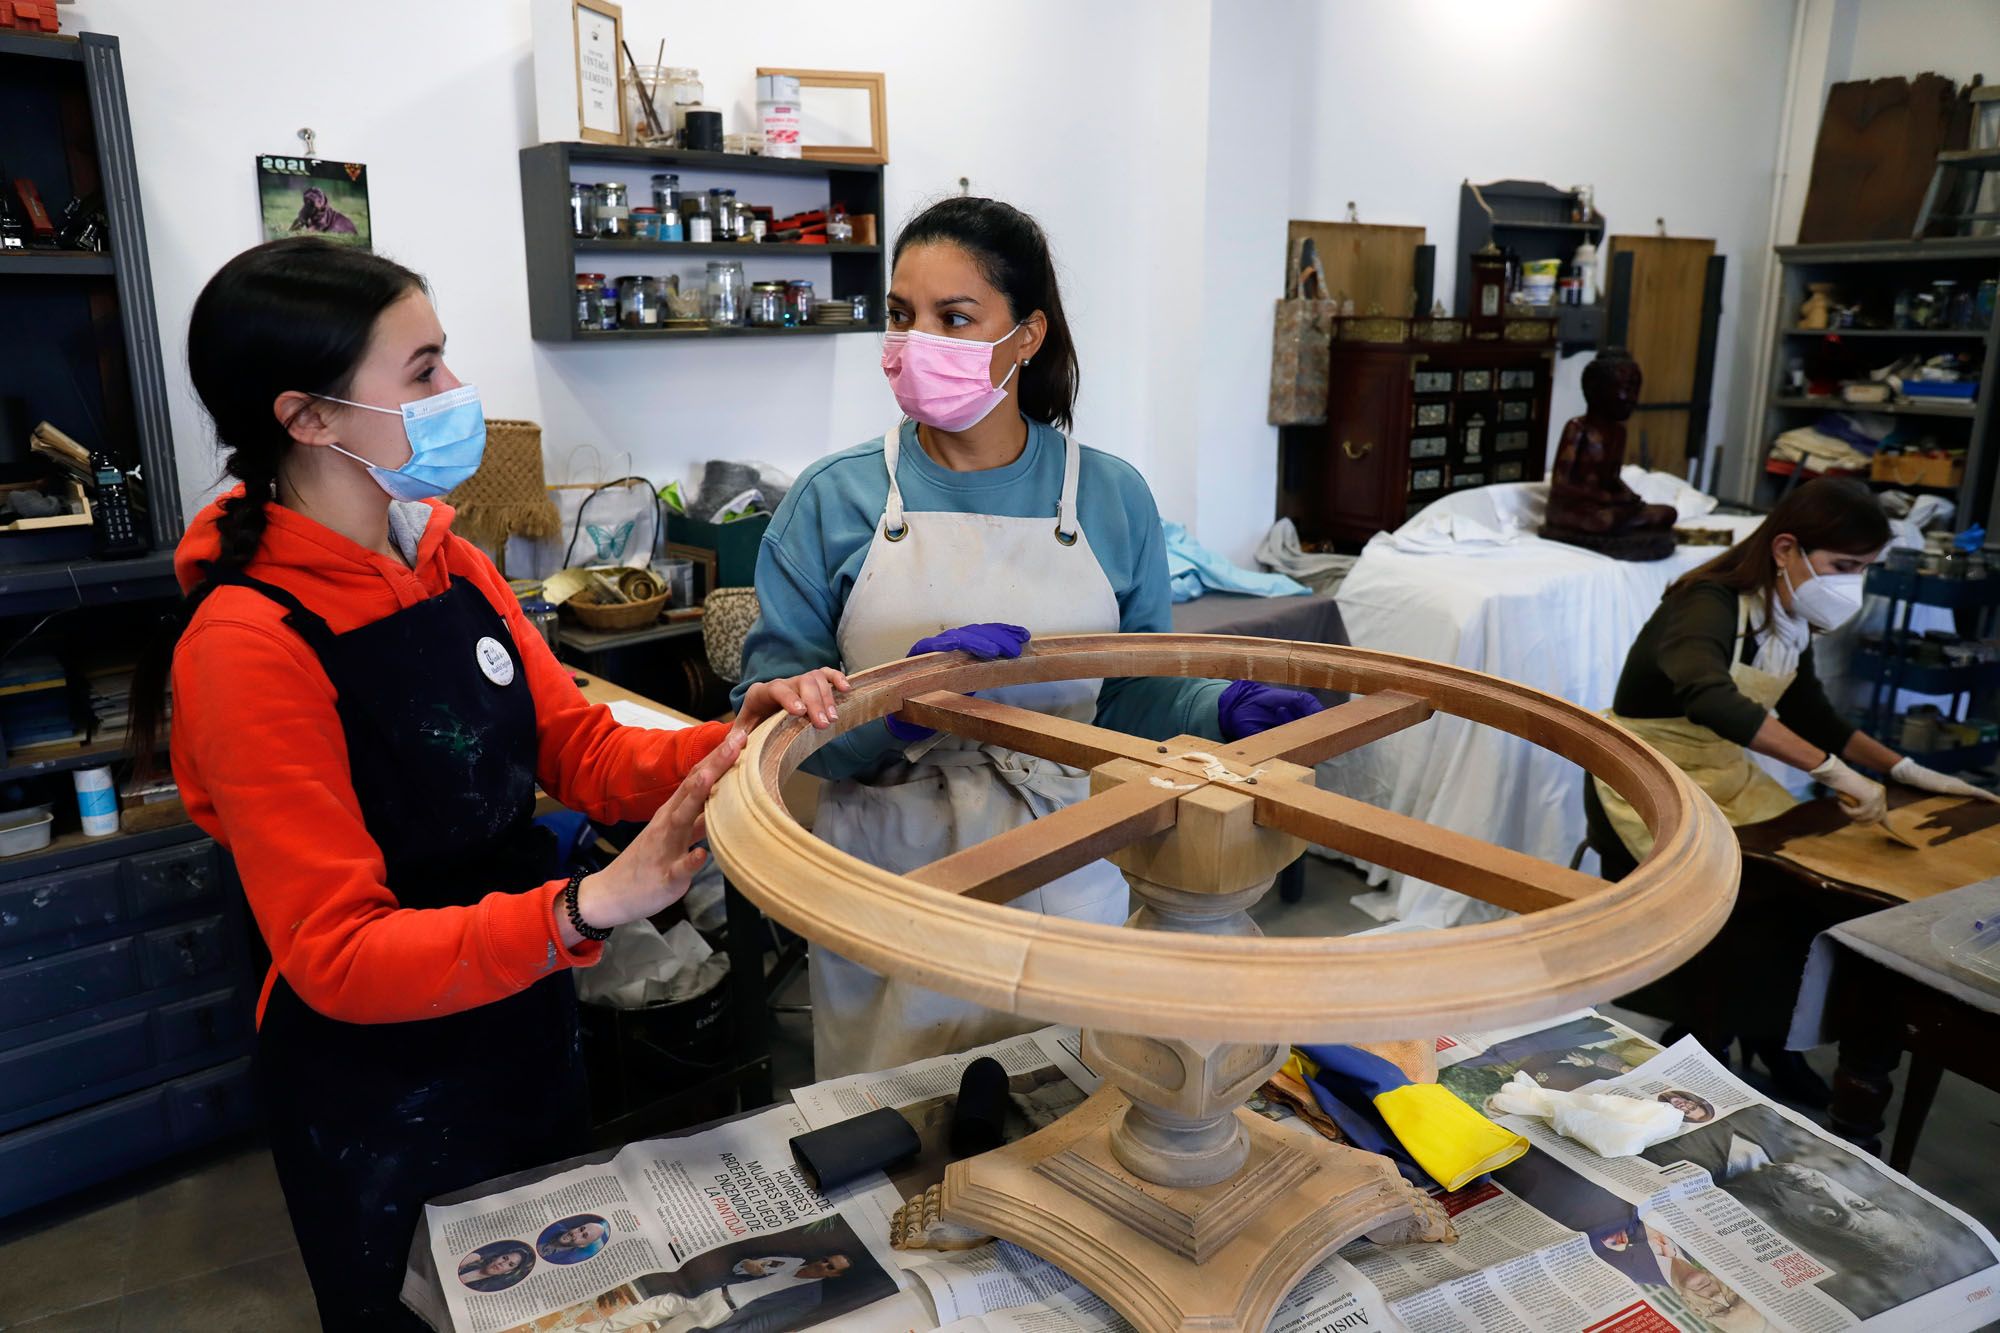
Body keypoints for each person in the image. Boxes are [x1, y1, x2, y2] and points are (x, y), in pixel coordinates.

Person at [126, 238, 844, 1330]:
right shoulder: (247, 643)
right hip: (378, 1086)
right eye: (421, 373)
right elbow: (337, 952)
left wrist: (724, 739)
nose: (457, 395)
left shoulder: (446, 562)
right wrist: (585, 905)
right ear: (307, 417)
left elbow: (581, 752)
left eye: (444, 360)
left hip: (519, 1019)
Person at [732, 197, 1323, 1077]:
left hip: (1071, 856)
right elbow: (774, 733)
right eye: (902, 317)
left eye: (954, 318)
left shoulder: (1111, 499)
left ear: (1028, 334)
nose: (915, 340)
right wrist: (898, 711)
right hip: (898, 870)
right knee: (904, 1129)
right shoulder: (833, 502)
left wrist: (1216, 702)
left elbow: (1128, 694)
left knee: (1072, 1102)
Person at [1586, 477, 1997, 1099]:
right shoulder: (1710, 603)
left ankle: (1771, 1035)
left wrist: (1905, 770)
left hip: (1721, 770)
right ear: (1785, 549)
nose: (1851, 583)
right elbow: (1708, 696)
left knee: (1808, 887)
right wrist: (1829, 772)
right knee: (1739, 889)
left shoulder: (1786, 620)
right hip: (1650, 777)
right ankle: (1703, 1034)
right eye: (1844, 565)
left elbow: (1817, 718)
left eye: (1864, 569)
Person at [576, 1254, 854, 1333]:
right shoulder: (792, 1262)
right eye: (827, 1259)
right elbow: (743, 1267)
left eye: (831, 1267)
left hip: (721, 1313)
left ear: (834, 1275)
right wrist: (749, 1265)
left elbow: (765, 1325)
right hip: (710, 1292)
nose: (824, 1264)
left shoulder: (809, 1298)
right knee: (646, 1308)